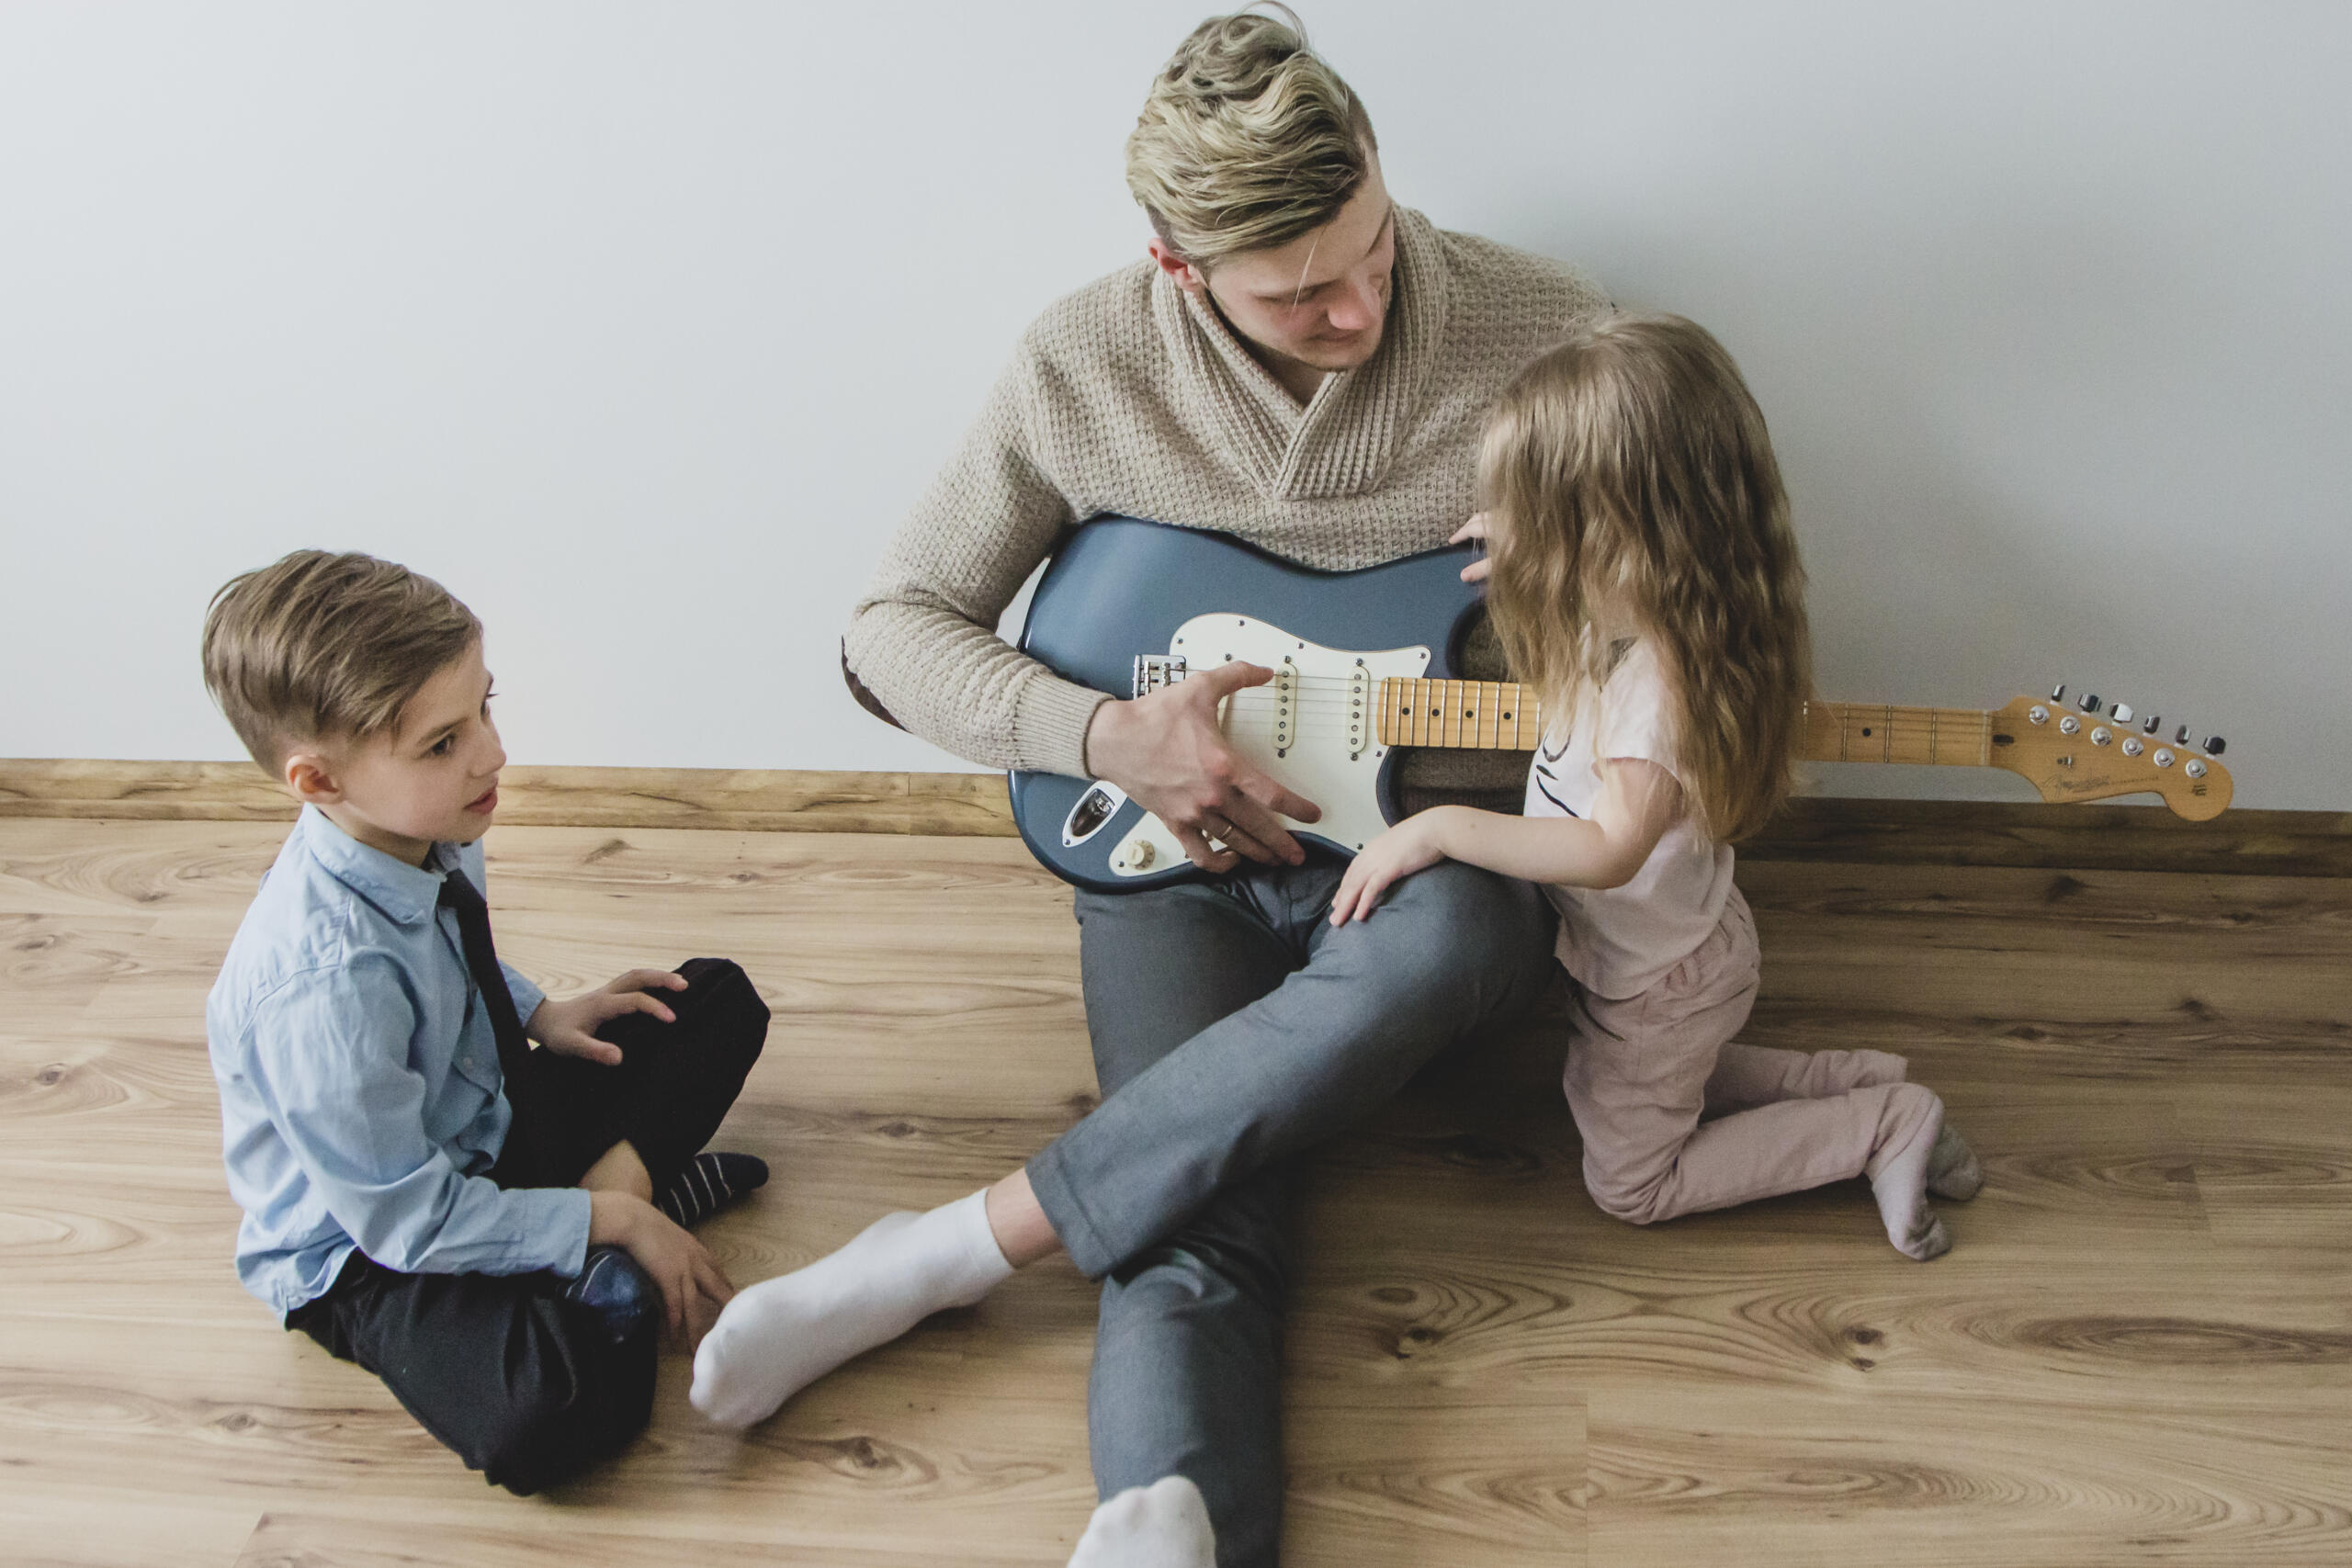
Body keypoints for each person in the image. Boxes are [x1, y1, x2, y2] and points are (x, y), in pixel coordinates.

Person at [697, 9, 1603, 1564]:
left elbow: (1684, 608)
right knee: (1194, 1188)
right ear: (1179, 268)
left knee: (1460, 945)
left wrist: (1601, 571)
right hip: (1163, 851)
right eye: (1298, 291)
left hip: (1432, 851)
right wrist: (1112, 738)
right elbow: (889, 631)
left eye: (1370, 248)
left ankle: (948, 1249)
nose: (1355, 305)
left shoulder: (1549, 328)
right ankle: (1160, 1509)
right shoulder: (1086, 360)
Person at [1327, 313, 1984, 1259]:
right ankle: (1849, 1079)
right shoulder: (1676, 611)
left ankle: (1879, 1127)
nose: (1531, 553)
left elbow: (1608, 848)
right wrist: (1526, 531)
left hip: (1659, 984)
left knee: (1632, 1181)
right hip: (1678, 954)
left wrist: (1437, 831)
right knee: (1662, 1076)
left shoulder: (1657, 691)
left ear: (1618, 536)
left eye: (1548, 528)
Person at [201, 549, 771, 1494]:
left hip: (478, 1122)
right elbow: (405, 1220)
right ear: (317, 782)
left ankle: (604, 1219)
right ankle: (611, 1225)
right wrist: (609, 1217)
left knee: (712, 1000)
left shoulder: (427, 824)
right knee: (549, 1415)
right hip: (375, 1247)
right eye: (442, 743)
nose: (492, 755)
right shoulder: (318, 983)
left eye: (485, 711)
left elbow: (449, 951)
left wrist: (542, 1013)